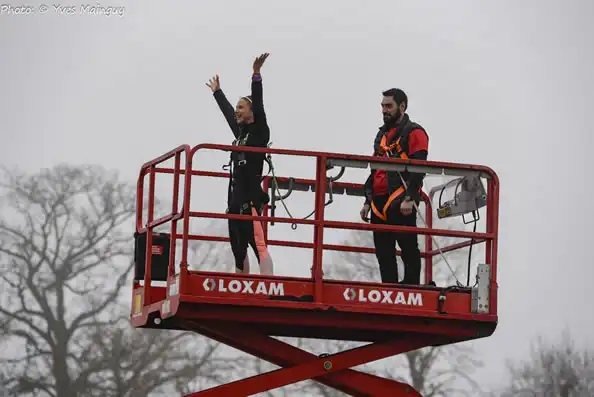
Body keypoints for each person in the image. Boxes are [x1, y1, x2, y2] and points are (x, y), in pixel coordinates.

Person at [205, 53, 274, 275]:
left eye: (241, 107)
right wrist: (217, 93)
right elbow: (228, 114)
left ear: (252, 112)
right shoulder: (240, 134)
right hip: (235, 199)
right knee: (238, 249)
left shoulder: (259, 131)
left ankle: (269, 287)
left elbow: (259, 101)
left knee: (258, 245)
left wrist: (256, 75)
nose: (237, 110)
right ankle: (241, 286)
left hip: (251, 199)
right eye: (237, 107)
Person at [359, 88, 429, 285]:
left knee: (408, 248)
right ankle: (389, 288)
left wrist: (410, 197)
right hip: (378, 201)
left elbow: (419, 168)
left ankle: (411, 288)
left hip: (400, 199)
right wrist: (367, 200)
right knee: (383, 252)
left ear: (402, 107)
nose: (384, 110)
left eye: (388, 106)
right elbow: (374, 171)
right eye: (382, 106)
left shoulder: (415, 132)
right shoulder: (381, 135)